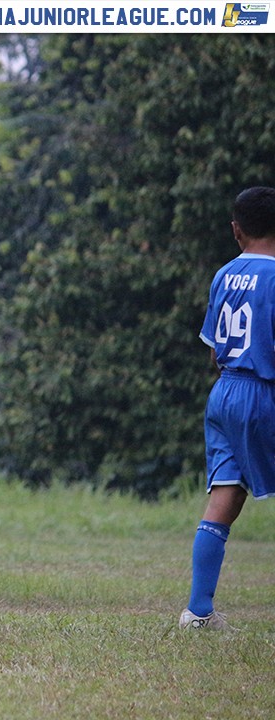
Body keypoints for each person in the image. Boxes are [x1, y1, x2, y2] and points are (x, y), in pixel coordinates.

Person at [180, 186, 275, 631]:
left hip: (224, 392)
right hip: (264, 390)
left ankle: (198, 613)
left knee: (225, 497)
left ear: (236, 230)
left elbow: (214, 353)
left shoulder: (223, 275)